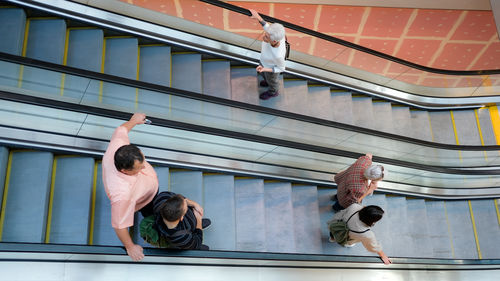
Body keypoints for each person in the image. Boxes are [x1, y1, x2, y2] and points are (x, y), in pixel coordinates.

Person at [102, 113, 158, 261]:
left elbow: (121, 130)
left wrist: (133, 121)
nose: (144, 166)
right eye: (139, 168)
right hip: (144, 200)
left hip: (148, 188)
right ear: (125, 171)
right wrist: (130, 246)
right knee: (154, 214)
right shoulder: (121, 194)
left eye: (143, 161)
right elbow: (119, 225)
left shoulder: (119, 146)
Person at [249, 9, 286, 100]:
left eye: (266, 37)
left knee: (272, 81)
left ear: (274, 41)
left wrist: (265, 69)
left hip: (270, 69)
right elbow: (267, 27)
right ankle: (267, 81)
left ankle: (273, 92)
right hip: (263, 61)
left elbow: (281, 68)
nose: (263, 36)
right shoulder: (275, 36)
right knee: (263, 75)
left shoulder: (278, 55)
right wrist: (258, 17)